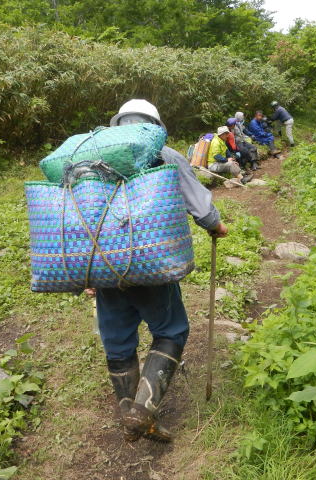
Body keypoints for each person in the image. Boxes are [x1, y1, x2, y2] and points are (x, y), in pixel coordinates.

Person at [97, 99, 228, 443]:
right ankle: (141, 411)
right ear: (155, 126)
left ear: (118, 123)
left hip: (104, 266)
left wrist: (87, 270)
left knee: (117, 339)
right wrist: (216, 226)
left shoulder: (93, 158)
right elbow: (200, 207)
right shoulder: (166, 155)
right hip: (150, 263)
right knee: (171, 330)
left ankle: (129, 412)